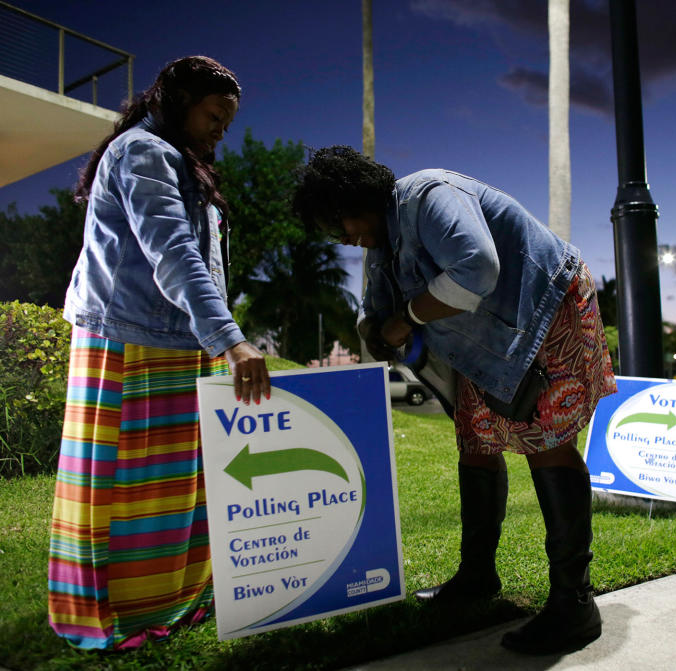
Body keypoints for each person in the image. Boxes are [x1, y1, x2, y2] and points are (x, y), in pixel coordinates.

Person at [292, 146, 617, 655]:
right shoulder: (382, 241)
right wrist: (376, 329)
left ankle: (575, 603)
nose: (347, 240)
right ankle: (477, 576)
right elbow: (376, 309)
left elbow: (477, 268)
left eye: (343, 226)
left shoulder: (428, 194)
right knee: (476, 440)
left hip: (546, 309)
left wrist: (407, 319)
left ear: (355, 198)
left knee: (545, 440)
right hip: (488, 337)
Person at [48, 55, 270, 650]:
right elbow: (172, 253)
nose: (221, 128)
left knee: (175, 484)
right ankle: (116, 614)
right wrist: (232, 340)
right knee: (126, 485)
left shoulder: (177, 159)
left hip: (177, 339)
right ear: (179, 102)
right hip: (129, 339)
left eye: (228, 119)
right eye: (214, 114)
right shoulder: (143, 153)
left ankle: (174, 599)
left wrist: (214, 333)